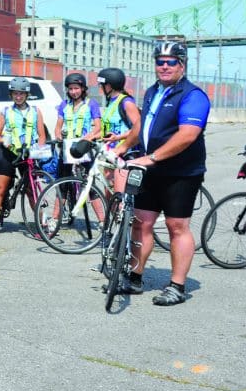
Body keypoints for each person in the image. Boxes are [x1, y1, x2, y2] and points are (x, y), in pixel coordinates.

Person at [126, 41, 210, 306]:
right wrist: (121, 149)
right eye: (159, 61)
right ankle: (135, 276)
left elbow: (188, 135)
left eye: (171, 61)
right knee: (141, 222)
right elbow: (142, 126)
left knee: (177, 226)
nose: (164, 66)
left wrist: (151, 157)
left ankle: (177, 285)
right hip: (149, 168)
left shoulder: (193, 95)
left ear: (182, 65)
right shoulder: (153, 91)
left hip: (181, 172)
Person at [0, 77, 47, 237]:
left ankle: (42, 224)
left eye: (21, 94)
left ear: (27, 95)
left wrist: (39, 149)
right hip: (8, 153)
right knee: (1, 188)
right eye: (15, 94)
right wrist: (4, 141)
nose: (18, 97)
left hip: (27, 154)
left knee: (31, 190)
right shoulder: (5, 111)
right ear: (11, 94)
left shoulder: (35, 111)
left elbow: (41, 135)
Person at [54, 72, 101, 178]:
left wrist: (88, 138)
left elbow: (98, 127)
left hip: (83, 147)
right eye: (70, 89)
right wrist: (58, 136)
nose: (73, 92)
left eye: (76, 88)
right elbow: (58, 127)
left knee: (88, 185)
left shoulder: (91, 104)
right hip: (67, 147)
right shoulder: (64, 105)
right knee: (63, 184)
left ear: (83, 88)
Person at [90, 67, 141, 157]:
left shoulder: (127, 103)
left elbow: (138, 129)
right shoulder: (111, 102)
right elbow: (109, 130)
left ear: (109, 86)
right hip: (110, 152)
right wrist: (92, 138)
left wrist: (118, 138)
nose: (100, 87)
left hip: (125, 154)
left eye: (101, 85)